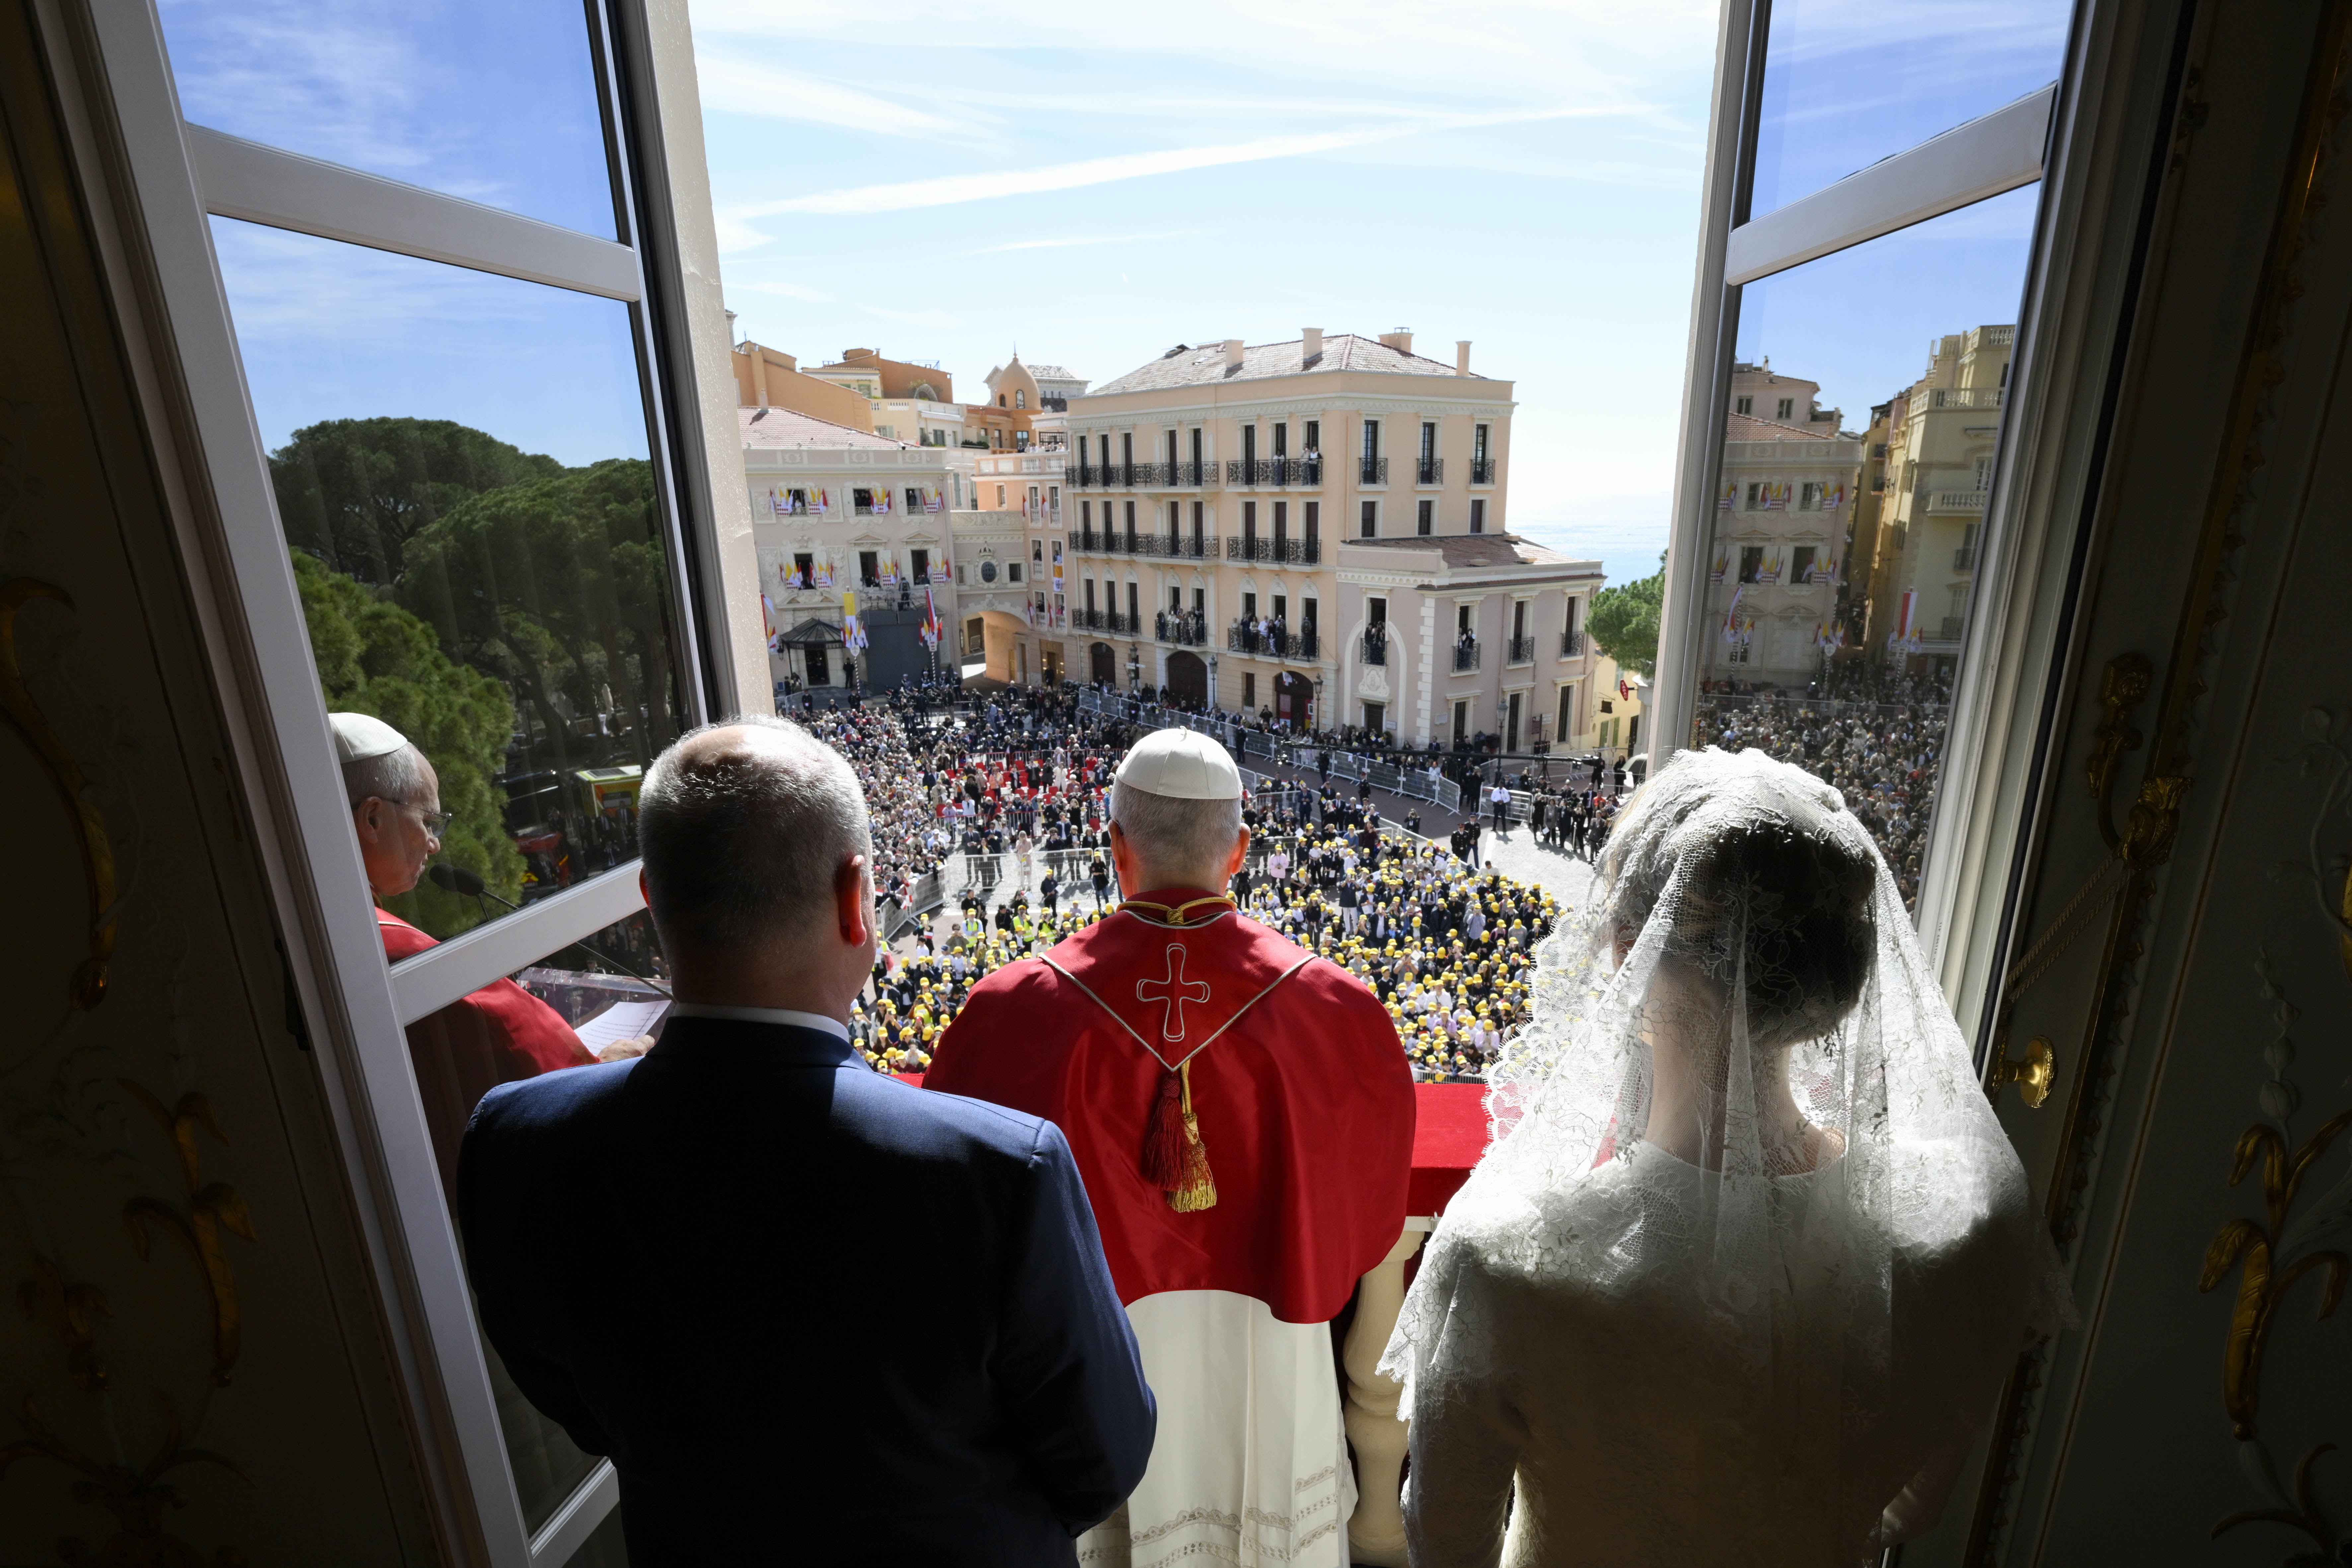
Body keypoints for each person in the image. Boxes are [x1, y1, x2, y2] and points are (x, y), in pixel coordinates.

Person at [459, 717, 1155, 1561]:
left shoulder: (515, 1140)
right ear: (854, 898)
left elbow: (572, 1400)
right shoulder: (999, 1170)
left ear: (652, 897)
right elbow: (1103, 1457)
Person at [1382, 748, 2065, 1565]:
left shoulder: (1509, 1261)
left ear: (1629, 955)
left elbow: (1444, 1542)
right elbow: (1915, 1507)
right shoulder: (1964, 1224)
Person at [928, 728, 1416, 1568]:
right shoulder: (1336, 1006)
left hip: (1086, 1357)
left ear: (1115, 849)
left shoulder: (1010, 1009)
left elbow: (953, 1210)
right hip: (1273, 1348)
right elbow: (1374, 1201)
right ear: (1240, 852)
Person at [331, 712, 645, 1202]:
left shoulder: (342, 920)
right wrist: (601, 1068)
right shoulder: (389, 943)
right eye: (428, 821)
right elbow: (518, 1043)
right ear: (372, 818)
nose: (434, 844)